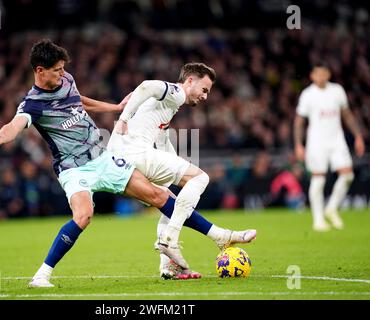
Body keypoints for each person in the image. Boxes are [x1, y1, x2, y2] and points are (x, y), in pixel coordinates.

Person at [0, 40, 256, 287]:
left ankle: (215, 236)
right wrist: (2, 135)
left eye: (63, 68)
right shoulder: (33, 104)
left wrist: (114, 108)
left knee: (159, 195)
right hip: (73, 168)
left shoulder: (66, 81)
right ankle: (41, 275)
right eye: (56, 70)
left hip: (103, 158)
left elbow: (78, 100)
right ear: (40, 70)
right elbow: (15, 124)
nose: (62, 73)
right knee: (84, 216)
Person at [86, 62, 256, 278]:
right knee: (200, 178)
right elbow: (147, 86)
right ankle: (170, 239)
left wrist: (177, 166)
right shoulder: (175, 93)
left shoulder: (169, 106)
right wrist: (123, 119)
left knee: (171, 202)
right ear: (190, 81)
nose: (205, 96)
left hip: (121, 158)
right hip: (133, 152)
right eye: (204, 89)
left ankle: (168, 267)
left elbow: (163, 139)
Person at [294, 62, 365, 232]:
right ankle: (318, 220)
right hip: (316, 142)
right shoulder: (308, 94)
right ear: (312, 75)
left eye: (323, 73)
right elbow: (299, 121)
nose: (320, 77)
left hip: (336, 140)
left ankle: (331, 208)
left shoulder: (337, 91)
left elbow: (346, 115)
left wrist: (358, 136)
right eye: (317, 74)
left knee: (348, 175)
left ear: (328, 74)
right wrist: (298, 144)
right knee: (318, 179)